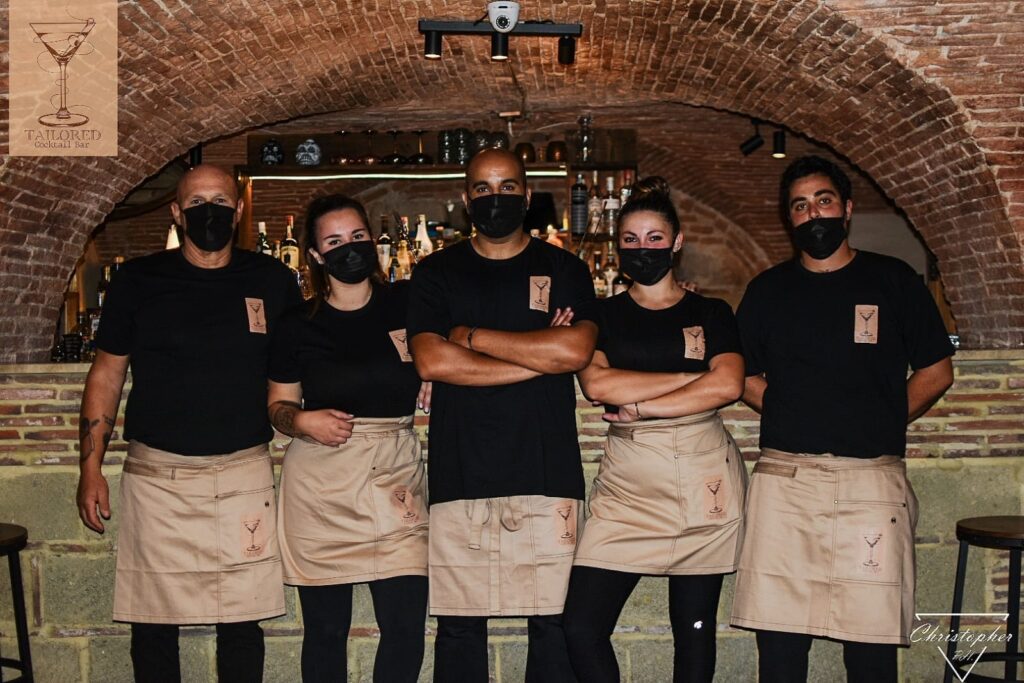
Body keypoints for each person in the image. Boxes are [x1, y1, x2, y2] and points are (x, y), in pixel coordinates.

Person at [729, 155, 955, 683]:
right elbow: (740, 374)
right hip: (786, 482)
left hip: (870, 483)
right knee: (779, 649)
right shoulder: (767, 290)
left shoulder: (892, 280)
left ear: (847, 209)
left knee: (870, 650)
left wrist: (881, 418)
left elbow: (937, 371)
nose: (813, 215)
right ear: (789, 218)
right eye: (800, 206)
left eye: (823, 201)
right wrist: (788, 409)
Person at [75, 164, 302, 682]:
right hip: (158, 478)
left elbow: (299, 365)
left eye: (219, 202)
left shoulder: (272, 280)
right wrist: (89, 469)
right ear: (177, 213)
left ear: (238, 211)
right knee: (153, 622)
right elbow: (106, 374)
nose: (209, 213)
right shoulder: (138, 280)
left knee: (242, 620)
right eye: (196, 204)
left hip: (243, 473)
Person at [407, 147, 598, 682]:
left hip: (548, 468)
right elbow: (431, 360)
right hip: (460, 470)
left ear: (527, 195)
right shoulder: (435, 271)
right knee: (459, 628)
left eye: (508, 187)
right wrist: (538, 356)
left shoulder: (564, 267)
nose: (496, 198)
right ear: (467, 198)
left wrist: (469, 337)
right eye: (484, 189)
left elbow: (574, 351)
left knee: (553, 625)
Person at [562, 176, 747, 683]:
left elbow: (728, 384)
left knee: (694, 631)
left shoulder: (711, 311)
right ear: (618, 246)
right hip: (628, 486)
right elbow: (598, 384)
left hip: (703, 476)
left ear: (677, 242)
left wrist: (642, 407)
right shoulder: (600, 314)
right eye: (631, 239)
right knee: (580, 627)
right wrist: (691, 378)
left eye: (654, 238)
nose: (642, 248)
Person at [266, 194, 430, 682]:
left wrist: (436, 376)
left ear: (373, 242)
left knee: (405, 627)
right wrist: (303, 422)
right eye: (334, 242)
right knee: (326, 630)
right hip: (323, 482)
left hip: (395, 475)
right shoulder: (297, 323)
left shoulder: (410, 303)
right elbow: (277, 407)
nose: (349, 248)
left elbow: (450, 349)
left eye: (357, 237)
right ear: (316, 255)